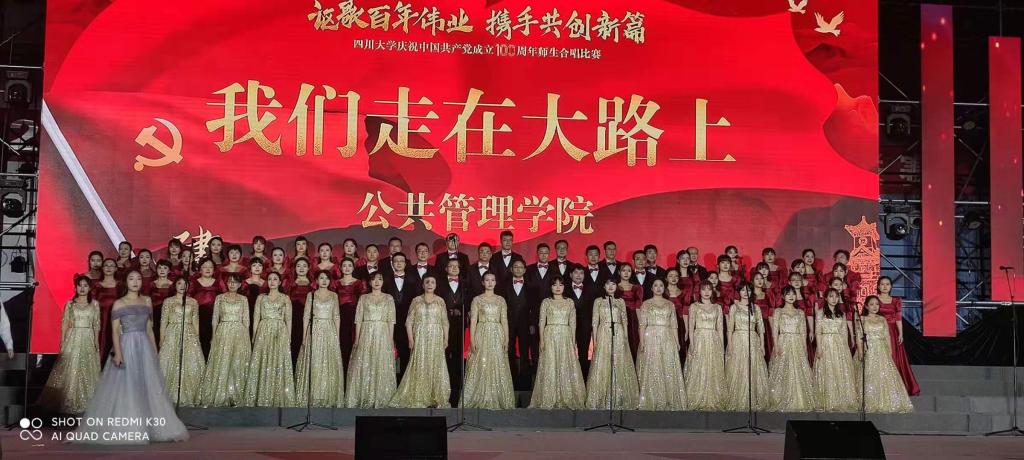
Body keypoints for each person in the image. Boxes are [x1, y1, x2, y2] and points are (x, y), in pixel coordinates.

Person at [74, 270, 188, 444]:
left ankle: (151, 426)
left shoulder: (147, 301)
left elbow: (149, 328)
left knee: (147, 386)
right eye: (131, 278)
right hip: (126, 345)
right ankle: (130, 427)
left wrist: (155, 350)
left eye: (139, 278)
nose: (135, 282)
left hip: (144, 347)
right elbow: (115, 331)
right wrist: (118, 353)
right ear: (125, 282)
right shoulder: (119, 303)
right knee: (127, 385)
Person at [37, 276, 101, 414]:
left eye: (85, 285)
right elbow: (65, 322)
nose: (82, 288)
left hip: (88, 337)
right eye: (80, 285)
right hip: (73, 337)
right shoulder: (70, 304)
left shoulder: (94, 304)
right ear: (75, 287)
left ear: (90, 288)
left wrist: (96, 341)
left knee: (87, 368)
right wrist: (62, 340)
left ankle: (88, 401)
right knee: (71, 367)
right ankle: (69, 399)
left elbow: (96, 324)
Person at [390, 275, 451, 408]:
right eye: (427, 282)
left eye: (432, 282)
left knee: (436, 364)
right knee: (420, 363)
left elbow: (445, 322)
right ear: (423, 285)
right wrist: (411, 339)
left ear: (436, 285)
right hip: (420, 337)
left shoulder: (440, 301)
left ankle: (435, 396)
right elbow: (409, 321)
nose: (430, 284)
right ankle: (419, 395)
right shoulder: (416, 300)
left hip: (436, 337)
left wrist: (446, 338)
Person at [529, 278, 586, 409]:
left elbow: (573, 323)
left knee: (565, 363)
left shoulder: (569, 302)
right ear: (550, 287)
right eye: (554, 285)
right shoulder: (546, 302)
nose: (558, 287)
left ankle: (567, 395)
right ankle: (549, 396)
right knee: (550, 364)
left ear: (564, 286)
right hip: (550, 335)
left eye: (561, 284)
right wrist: (542, 340)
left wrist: (573, 341)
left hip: (565, 335)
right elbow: (541, 322)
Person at [462, 272, 515, 409]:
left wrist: (507, 339)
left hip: (497, 333)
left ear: (496, 282)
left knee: (497, 362)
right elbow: (473, 320)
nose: (490, 282)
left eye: (492, 280)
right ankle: (479, 396)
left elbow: (504, 320)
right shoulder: (477, 300)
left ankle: (497, 397)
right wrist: (472, 340)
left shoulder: (501, 300)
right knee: (480, 362)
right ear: (482, 282)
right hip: (481, 332)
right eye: (487, 280)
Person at [346, 273, 397, 408]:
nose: (376, 282)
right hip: (366, 332)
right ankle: (365, 396)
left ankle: (381, 396)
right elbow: (358, 319)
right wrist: (357, 338)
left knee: (381, 362)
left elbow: (391, 320)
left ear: (383, 282)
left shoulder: (388, 298)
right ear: (369, 283)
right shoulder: (364, 298)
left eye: (380, 279)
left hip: (382, 333)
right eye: (373, 279)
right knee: (365, 362)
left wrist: (390, 339)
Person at [199, 274, 251, 407]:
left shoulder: (243, 299)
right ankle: (221, 394)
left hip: (239, 332)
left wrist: (246, 336)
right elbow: (215, 318)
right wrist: (213, 336)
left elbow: (246, 319)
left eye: (235, 282)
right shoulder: (220, 298)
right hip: (223, 331)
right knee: (223, 360)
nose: (232, 284)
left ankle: (236, 394)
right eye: (230, 282)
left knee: (237, 362)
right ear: (226, 284)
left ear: (239, 285)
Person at [585, 279, 639, 410]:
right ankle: (601, 397)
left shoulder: (620, 301)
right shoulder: (598, 301)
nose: (611, 286)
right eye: (608, 284)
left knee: (618, 362)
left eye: (613, 284)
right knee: (603, 362)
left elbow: (625, 321)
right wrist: (595, 341)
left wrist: (625, 338)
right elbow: (595, 322)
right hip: (603, 332)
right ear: (604, 286)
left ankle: (619, 397)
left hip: (618, 333)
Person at [245, 272, 296, 407]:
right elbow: (256, 317)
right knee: (263, 360)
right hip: (264, 330)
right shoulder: (261, 298)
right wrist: (254, 335)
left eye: (275, 279)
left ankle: (277, 395)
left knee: (278, 360)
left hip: (280, 330)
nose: (272, 281)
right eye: (269, 279)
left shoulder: (285, 298)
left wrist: (289, 337)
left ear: (280, 282)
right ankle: (261, 395)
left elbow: (288, 319)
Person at [295, 271, 345, 407]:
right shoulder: (311, 295)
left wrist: (337, 336)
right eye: (321, 278)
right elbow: (306, 316)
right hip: (315, 329)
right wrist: (305, 336)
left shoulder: (334, 296)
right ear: (316, 280)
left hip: (329, 329)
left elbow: (336, 316)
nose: (324, 281)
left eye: (327, 278)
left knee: (328, 361)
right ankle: (314, 395)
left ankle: (327, 395)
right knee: (315, 360)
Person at [857, 296, 914, 413]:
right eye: (871, 304)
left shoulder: (882, 319)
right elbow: (859, 337)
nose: (875, 307)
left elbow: (887, 335)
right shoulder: (862, 319)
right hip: (869, 350)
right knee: (870, 375)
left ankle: (885, 400)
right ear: (866, 306)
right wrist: (861, 352)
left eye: (877, 304)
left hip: (882, 350)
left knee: (884, 375)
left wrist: (889, 351)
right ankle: (870, 401)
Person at [637, 279, 687, 410]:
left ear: (664, 288)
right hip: (651, 336)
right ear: (651, 288)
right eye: (655, 285)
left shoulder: (670, 304)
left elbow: (674, 325)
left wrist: (677, 342)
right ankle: (651, 397)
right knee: (653, 365)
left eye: (661, 285)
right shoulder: (646, 304)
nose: (658, 288)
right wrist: (642, 342)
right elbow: (642, 325)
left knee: (667, 365)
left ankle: (668, 398)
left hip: (667, 336)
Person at [767, 286, 817, 412]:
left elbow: (803, 332)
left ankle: (799, 399)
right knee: (782, 370)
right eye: (788, 294)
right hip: (783, 342)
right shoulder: (778, 311)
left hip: (797, 343)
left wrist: (804, 349)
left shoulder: (800, 312)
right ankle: (781, 398)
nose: (791, 296)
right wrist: (776, 346)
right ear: (783, 296)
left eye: (793, 294)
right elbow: (775, 331)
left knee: (798, 371)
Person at [158, 276, 205, 406]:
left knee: (190, 362)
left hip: (189, 334)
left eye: (185, 284)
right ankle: (168, 395)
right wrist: (162, 339)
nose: (182, 286)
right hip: (172, 333)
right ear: (175, 285)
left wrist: (197, 339)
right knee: (170, 361)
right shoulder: (168, 301)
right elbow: (163, 321)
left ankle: (190, 394)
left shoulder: (193, 302)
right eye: (179, 283)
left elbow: (196, 322)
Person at [724, 282, 769, 411]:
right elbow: (730, 328)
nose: (745, 292)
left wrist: (762, 345)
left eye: (748, 290)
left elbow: (761, 328)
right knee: (738, 368)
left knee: (752, 368)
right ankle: (737, 399)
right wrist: (730, 345)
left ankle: (752, 399)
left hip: (753, 340)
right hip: (738, 339)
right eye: (742, 290)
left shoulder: (756, 308)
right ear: (739, 292)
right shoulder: (734, 307)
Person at [814, 288, 859, 412]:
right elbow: (818, 331)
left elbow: (844, 331)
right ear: (826, 298)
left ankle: (841, 399)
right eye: (831, 296)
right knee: (827, 370)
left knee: (840, 370)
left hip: (839, 344)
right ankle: (827, 399)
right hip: (826, 342)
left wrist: (845, 347)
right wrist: (819, 347)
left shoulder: (842, 314)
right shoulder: (820, 312)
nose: (834, 299)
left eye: (836, 296)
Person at [684, 282, 726, 411]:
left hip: (713, 339)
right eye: (704, 289)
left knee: (713, 367)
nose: (707, 292)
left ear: (712, 291)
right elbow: (691, 328)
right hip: (699, 339)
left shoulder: (717, 307)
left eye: (709, 289)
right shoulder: (694, 306)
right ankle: (696, 397)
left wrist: (721, 346)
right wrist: (692, 344)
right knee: (698, 367)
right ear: (699, 292)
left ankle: (714, 397)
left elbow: (720, 328)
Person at [876, 276, 920, 395]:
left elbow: (898, 318)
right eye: (882, 284)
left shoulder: (896, 301)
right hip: (878, 331)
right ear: (878, 286)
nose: (885, 286)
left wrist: (900, 333)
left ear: (891, 286)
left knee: (895, 357)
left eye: (887, 284)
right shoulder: (875, 299)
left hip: (893, 332)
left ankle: (896, 387)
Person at [436, 258, 468, 407]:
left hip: (460, 324)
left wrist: (461, 311)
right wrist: (448, 311)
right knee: (443, 353)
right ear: (446, 268)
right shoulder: (439, 284)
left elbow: (469, 302)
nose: (454, 268)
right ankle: (443, 386)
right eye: (451, 266)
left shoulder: (465, 284)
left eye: (457, 266)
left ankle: (456, 388)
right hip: (442, 324)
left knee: (458, 355)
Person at [384, 252, 419, 377]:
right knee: (387, 349)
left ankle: (404, 379)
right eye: (396, 261)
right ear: (392, 264)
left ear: (405, 263)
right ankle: (388, 379)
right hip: (388, 320)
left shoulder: (414, 280)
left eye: (401, 261)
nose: (398, 263)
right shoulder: (385, 280)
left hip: (407, 320)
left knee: (406, 350)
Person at [500, 260, 533, 389]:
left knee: (525, 351)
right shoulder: (503, 286)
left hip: (526, 323)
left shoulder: (532, 286)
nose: (518, 269)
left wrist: (532, 324)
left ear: (525, 270)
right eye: (516, 267)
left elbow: (534, 307)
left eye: (521, 267)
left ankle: (525, 382)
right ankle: (510, 380)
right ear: (511, 269)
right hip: (508, 323)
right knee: (509, 350)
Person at [566, 266, 598, 376]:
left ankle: (583, 378)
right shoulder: (564, 290)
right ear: (571, 275)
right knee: (568, 352)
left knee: (584, 353)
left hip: (585, 327)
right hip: (567, 327)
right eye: (576, 272)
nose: (578, 275)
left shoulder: (591, 290)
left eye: (581, 273)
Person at [336, 258, 366, 368]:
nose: (347, 268)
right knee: (342, 342)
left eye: (349, 265)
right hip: (340, 316)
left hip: (354, 316)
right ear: (340, 268)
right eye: (344, 266)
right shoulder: (335, 283)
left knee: (354, 341)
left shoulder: (358, 283)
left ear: (353, 268)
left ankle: (353, 370)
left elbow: (362, 302)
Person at [285, 258, 315, 362]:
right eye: (298, 266)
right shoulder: (289, 284)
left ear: (308, 268)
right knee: (294, 343)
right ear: (295, 268)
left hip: (309, 318)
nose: (301, 268)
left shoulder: (313, 284)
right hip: (293, 318)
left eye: (304, 266)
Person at [93, 258, 121, 366]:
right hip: (100, 321)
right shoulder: (96, 286)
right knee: (100, 343)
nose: (108, 268)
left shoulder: (121, 285)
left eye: (111, 266)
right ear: (102, 268)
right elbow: (92, 305)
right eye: (106, 265)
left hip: (117, 321)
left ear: (116, 269)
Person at [615, 263, 643, 358]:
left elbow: (638, 306)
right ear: (619, 272)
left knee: (633, 341)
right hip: (617, 318)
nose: (626, 273)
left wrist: (640, 323)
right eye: (623, 270)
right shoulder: (614, 287)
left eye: (629, 271)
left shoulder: (637, 288)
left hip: (633, 318)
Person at [148, 260, 175, 344]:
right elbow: (147, 301)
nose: (162, 270)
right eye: (159, 268)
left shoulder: (173, 285)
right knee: (155, 338)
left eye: (165, 268)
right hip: (154, 314)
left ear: (169, 271)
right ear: (156, 270)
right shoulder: (151, 284)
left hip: (169, 316)